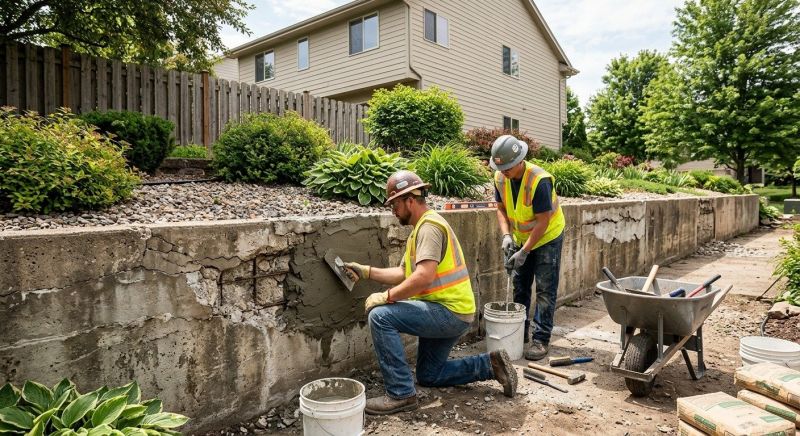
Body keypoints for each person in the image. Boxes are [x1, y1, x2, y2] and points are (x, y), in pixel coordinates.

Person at [344, 170, 517, 415]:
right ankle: (491, 365)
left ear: (409, 200)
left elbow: (423, 277)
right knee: (429, 374)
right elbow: (404, 273)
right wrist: (365, 272)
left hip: (448, 312)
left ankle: (400, 394)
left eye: (394, 204)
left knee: (380, 316)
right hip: (448, 310)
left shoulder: (429, 228)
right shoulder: (421, 229)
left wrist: (387, 297)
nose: (393, 210)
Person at [490, 135, 565, 361]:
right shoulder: (500, 177)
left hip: (548, 237)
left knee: (545, 289)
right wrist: (506, 236)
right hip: (521, 237)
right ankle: (518, 332)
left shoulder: (540, 181)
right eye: (500, 168)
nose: (503, 172)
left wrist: (525, 251)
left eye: (507, 168)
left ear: (519, 161)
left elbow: (543, 221)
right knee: (520, 286)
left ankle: (540, 339)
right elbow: (501, 208)